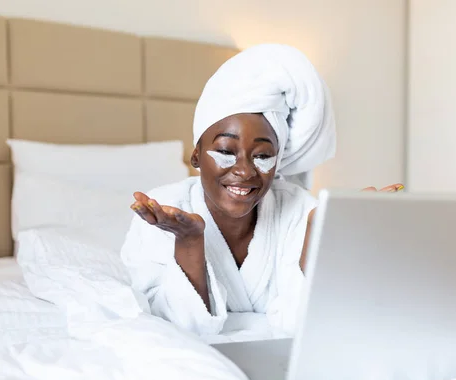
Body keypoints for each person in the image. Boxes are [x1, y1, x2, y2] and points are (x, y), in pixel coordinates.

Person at [120, 44, 403, 337]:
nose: (245, 171)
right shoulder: (161, 211)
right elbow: (171, 328)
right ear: (196, 157)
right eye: (226, 151)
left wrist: (319, 236)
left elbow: (308, 325)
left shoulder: (299, 210)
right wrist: (189, 241)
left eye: (263, 156)